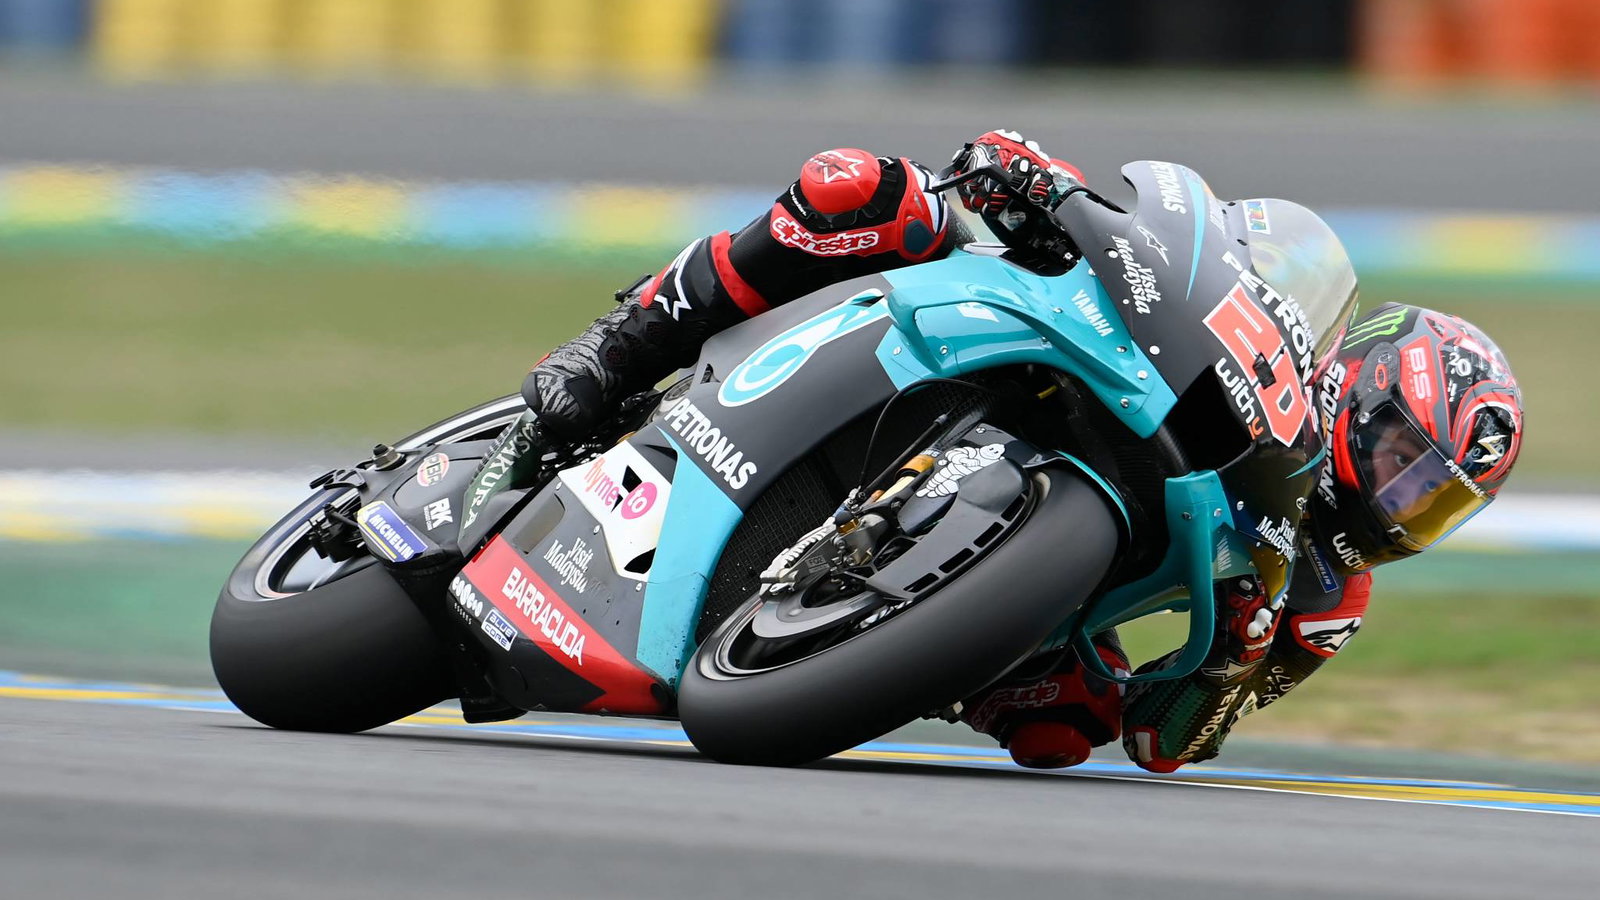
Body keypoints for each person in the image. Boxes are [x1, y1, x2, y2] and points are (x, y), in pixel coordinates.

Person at [510, 131, 1526, 772]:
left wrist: (1232, 663)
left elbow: (1165, 743)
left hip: (1047, 617)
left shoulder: (1326, 597)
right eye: (1401, 455)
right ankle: (622, 344)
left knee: (1062, 733)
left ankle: (884, 627)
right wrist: (1041, 189)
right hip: (1048, 350)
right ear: (1358, 384)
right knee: (868, 190)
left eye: (1431, 502)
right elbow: (1192, 260)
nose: (1399, 498)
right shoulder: (1273, 359)